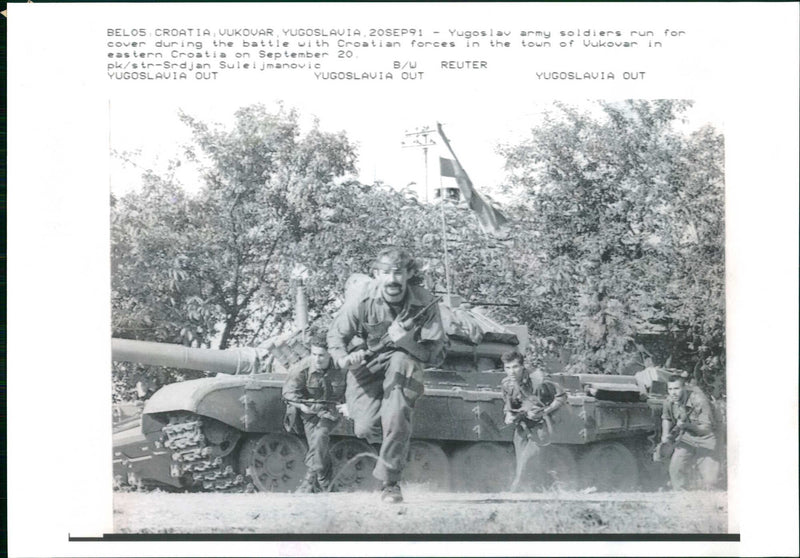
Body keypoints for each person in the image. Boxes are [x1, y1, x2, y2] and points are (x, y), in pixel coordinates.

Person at [327, 248, 445, 503]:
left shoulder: (426, 302)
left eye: (398, 272)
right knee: (366, 427)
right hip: (365, 366)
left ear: (409, 274)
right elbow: (336, 336)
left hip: (403, 362)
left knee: (396, 412)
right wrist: (343, 358)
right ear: (376, 274)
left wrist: (407, 343)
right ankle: (395, 440)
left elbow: (436, 355)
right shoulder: (361, 299)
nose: (392, 279)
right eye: (386, 273)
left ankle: (390, 483)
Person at [282, 333, 346, 493]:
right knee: (317, 445)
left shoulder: (341, 367)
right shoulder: (302, 369)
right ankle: (326, 484)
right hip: (309, 412)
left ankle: (309, 481)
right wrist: (301, 406)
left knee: (320, 436)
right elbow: (288, 394)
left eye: (321, 355)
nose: (317, 359)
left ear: (330, 353)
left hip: (331, 411)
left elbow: (354, 387)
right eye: (314, 354)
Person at [500, 350, 567, 491]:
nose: (511, 372)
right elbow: (508, 401)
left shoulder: (539, 379)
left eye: (515, 367)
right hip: (523, 424)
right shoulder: (507, 383)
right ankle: (537, 490)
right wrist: (508, 414)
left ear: (523, 366)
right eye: (507, 368)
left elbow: (561, 397)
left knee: (526, 460)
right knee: (521, 460)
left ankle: (515, 491)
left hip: (542, 424)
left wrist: (544, 411)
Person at [661, 374, 720, 490]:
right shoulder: (669, 401)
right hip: (687, 438)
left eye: (677, 389)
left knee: (711, 481)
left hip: (706, 439)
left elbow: (706, 429)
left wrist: (687, 425)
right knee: (675, 469)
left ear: (684, 388)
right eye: (670, 389)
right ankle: (682, 498)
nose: (673, 393)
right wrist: (665, 435)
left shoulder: (699, 400)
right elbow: (666, 417)